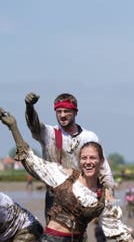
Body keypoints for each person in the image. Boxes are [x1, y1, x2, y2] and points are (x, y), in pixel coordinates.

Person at [0, 108, 134, 242]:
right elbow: (31, 160)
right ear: (80, 161)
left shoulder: (104, 196)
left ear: (101, 161)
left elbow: (117, 231)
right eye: (84, 158)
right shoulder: (64, 177)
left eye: (92, 158)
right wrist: (13, 127)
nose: (88, 162)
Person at [24, 92, 116, 223]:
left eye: (66, 111)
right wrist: (29, 107)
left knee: (78, 237)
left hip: (81, 194)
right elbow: (34, 125)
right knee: (54, 237)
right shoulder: (49, 133)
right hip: (54, 196)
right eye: (59, 111)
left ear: (75, 112)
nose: (62, 115)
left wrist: (109, 200)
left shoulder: (89, 137)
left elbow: (103, 170)